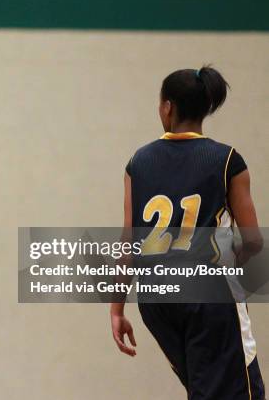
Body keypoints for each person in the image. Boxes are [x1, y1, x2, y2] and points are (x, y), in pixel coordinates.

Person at [110, 66, 265, 399]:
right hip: (206, 294)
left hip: (155, 299)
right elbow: (253, 240)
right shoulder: (226, 160)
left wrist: (116, 309)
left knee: (203, 388)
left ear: (167, 107)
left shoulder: (138, 163)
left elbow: (128, 242)